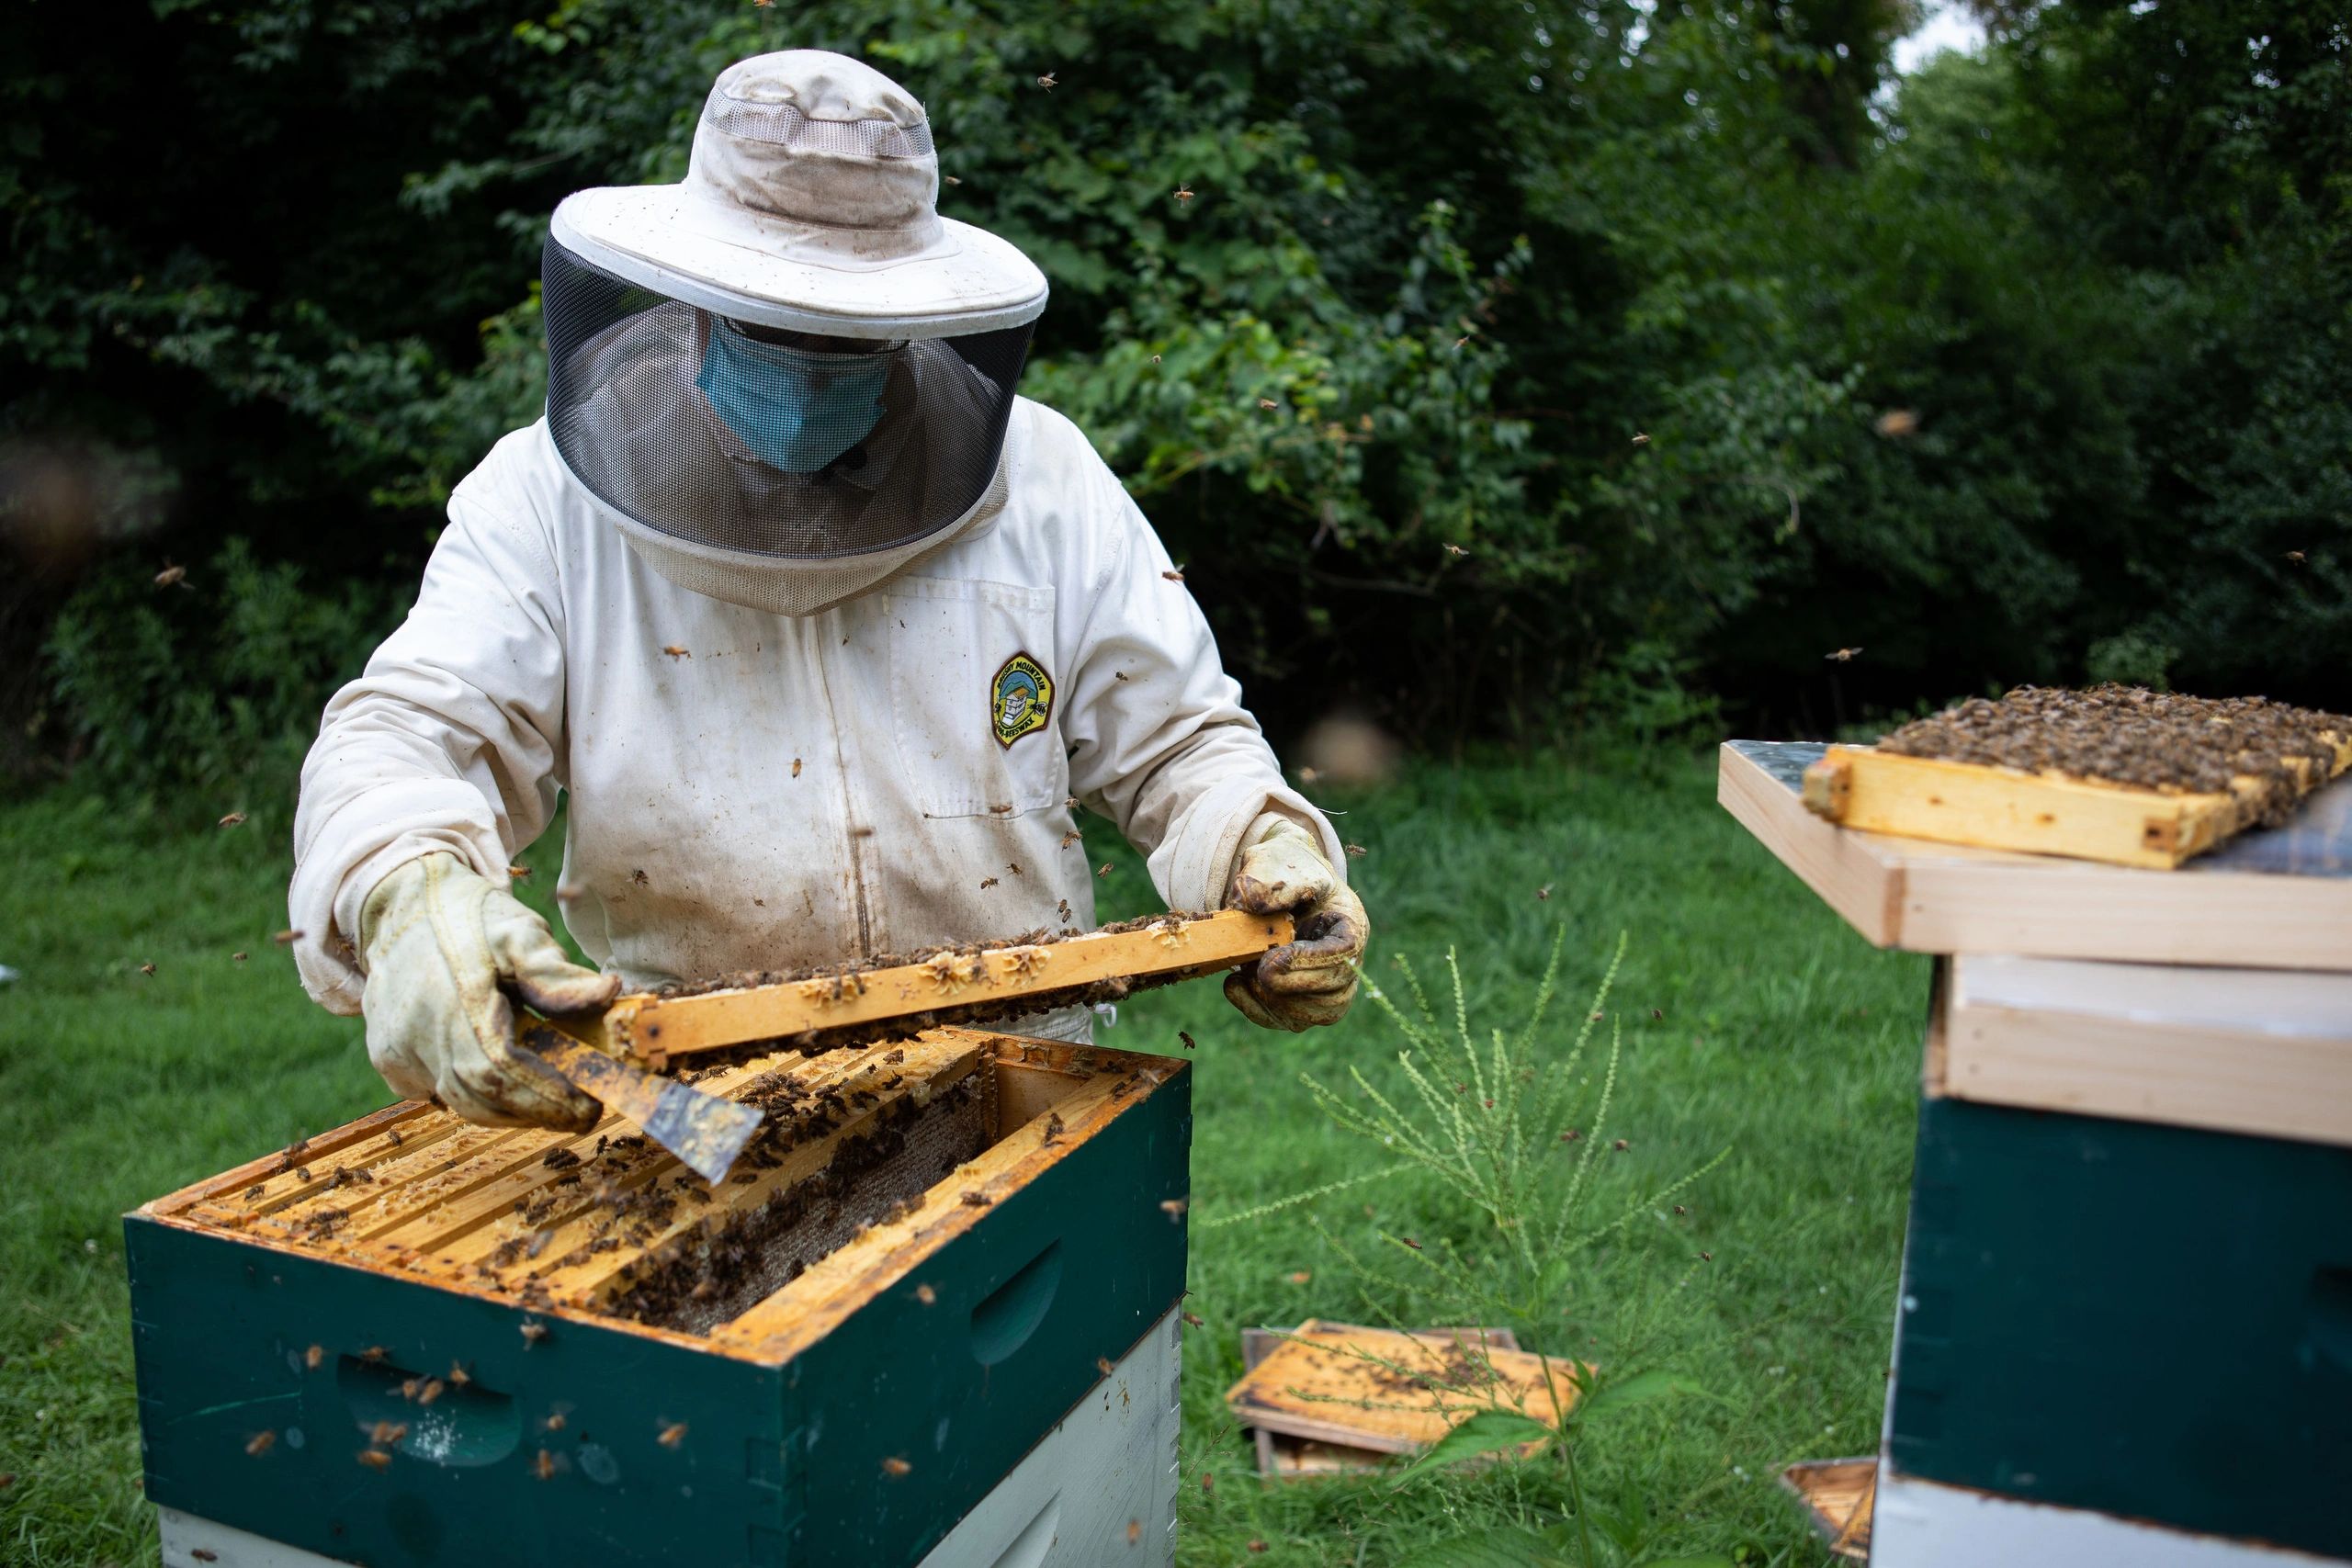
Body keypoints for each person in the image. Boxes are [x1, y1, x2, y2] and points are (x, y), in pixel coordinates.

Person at [288, 50, 1369, 1131]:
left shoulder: (1041, 476)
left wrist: (1256, 840)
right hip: (693, 1095)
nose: (808, 356)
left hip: (1021, 1070)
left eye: (843, 333)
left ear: (909, 314)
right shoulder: (543, 500)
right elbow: (412, 729)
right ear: (695, 296)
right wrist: (406, 886)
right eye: (773, 320)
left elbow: (1175, 738)